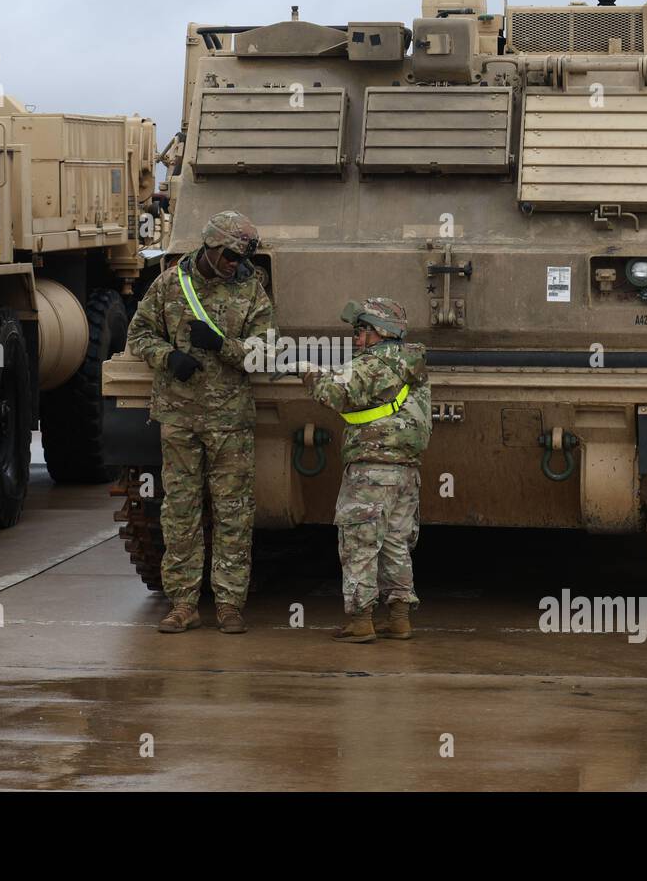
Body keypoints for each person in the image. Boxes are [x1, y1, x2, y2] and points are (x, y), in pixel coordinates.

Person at [126, 211, 274, 633]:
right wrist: (167, 357)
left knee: (233, 513)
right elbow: (138, 335)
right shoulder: (171, 283)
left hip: (230, 420)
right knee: (180, 512)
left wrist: (223, 346)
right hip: (179, 416)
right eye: (229, 255)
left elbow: (264, 352)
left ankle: (229, 604)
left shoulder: (250, 290)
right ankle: (183, 604)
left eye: (241, 257)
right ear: (210, 246)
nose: (234, 263)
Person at [301, 298, 431, 643]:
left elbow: (333, 393)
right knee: (395, 544)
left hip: (372, 470)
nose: (356, 337)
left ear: (379, 331)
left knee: (359, 543)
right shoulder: (411, 362)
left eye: (360, 330)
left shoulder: (372, 364)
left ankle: (361, 621)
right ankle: (399, 619)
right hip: (405, 471)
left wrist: (305, 370)